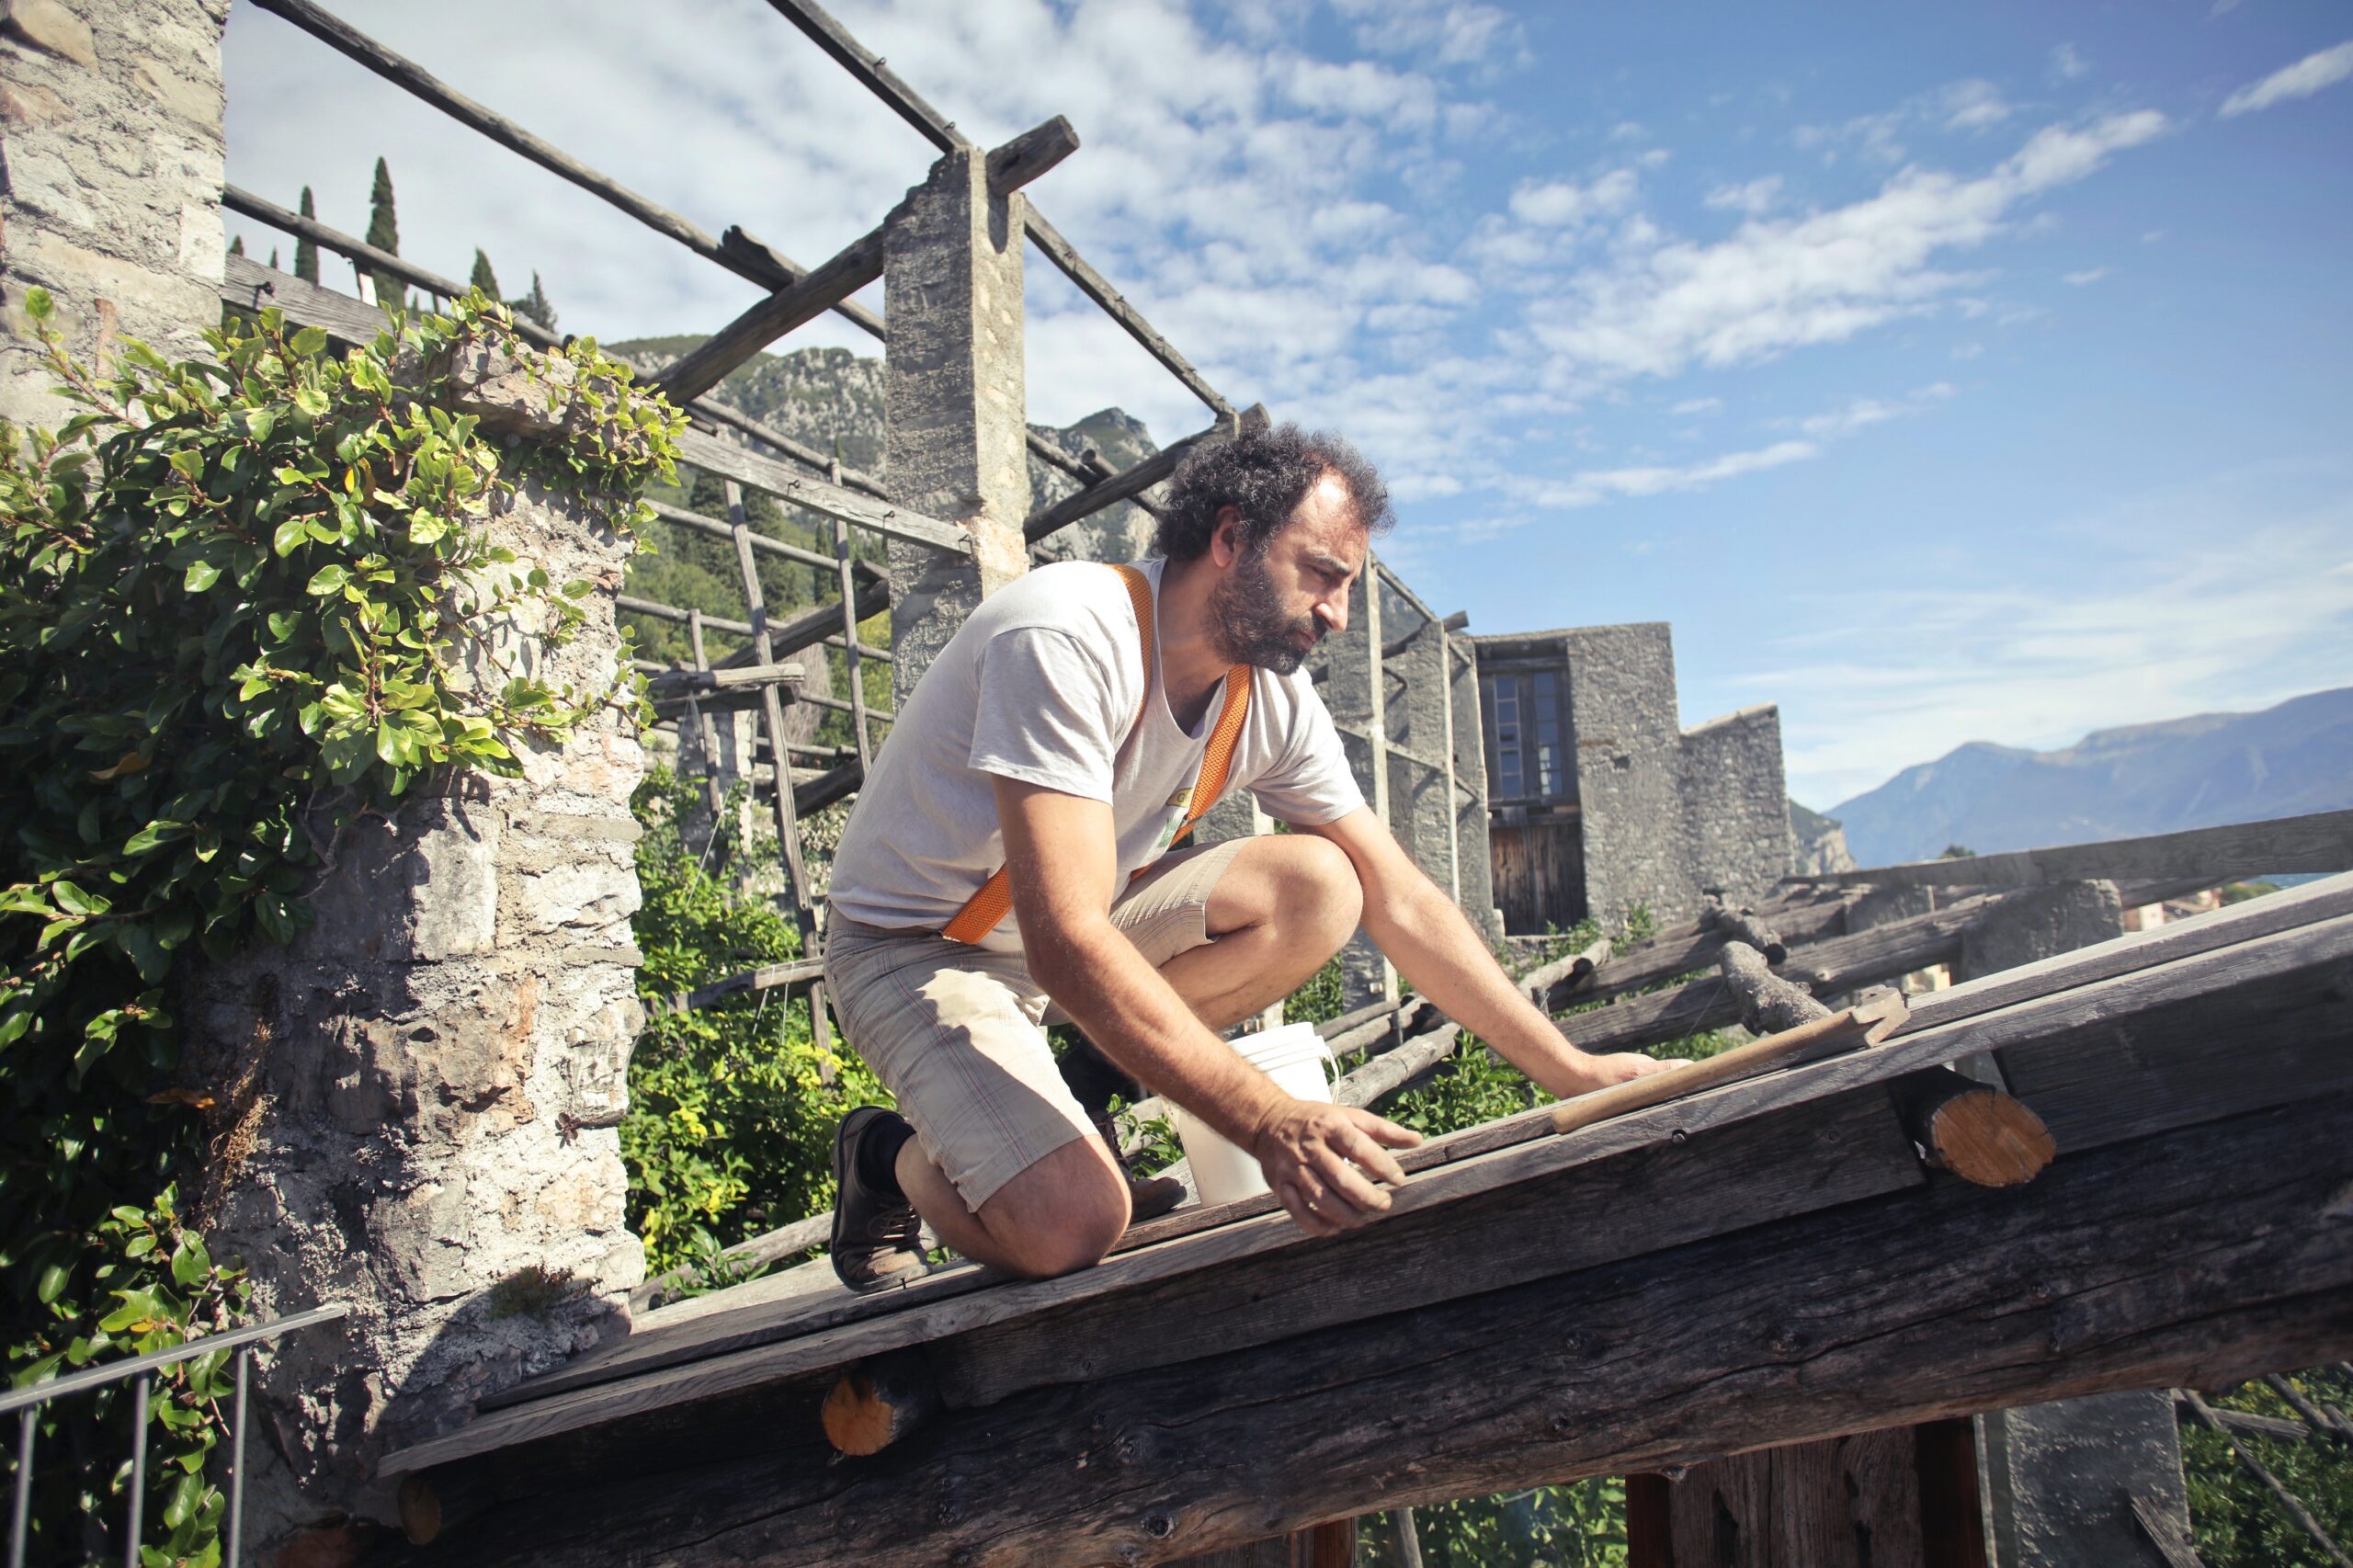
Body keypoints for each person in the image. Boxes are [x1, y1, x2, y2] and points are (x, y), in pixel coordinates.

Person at [819, 424, 1677, 1290]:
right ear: (1230, 538)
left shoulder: (1269, 700)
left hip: (1067, 934)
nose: (1338, 615)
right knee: (1071, 1226)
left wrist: (1573, 1070)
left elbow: (1400, 899)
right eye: (1324, 575)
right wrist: (1271, 1121)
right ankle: (884, 1156)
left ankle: (1077, 1089)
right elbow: (1067, 943)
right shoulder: (1065, 633)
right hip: (920, 948)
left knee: (1323, 886)